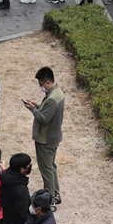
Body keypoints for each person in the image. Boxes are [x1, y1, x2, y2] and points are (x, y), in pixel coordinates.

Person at [23, 67, 65, 206]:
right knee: (51, 167)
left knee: (46, 170)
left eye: (41, 84)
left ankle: (50, 200)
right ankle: (56, 193)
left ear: (47, 82)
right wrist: (38, 106)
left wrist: (33, 109)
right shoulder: (58, 93)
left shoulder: (52, 98)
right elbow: (48, 111)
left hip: (46, 140)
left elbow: (44, 118)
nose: (40, 86)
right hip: (53, 137)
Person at [0, 153, 32, 224]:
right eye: (28, 166)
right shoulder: (20, 190)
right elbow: (20, 214)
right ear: (22, 169)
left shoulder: (6, 177)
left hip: (6, 220)